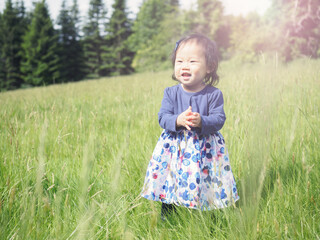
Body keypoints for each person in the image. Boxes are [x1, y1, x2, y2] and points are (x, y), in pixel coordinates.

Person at [141, 33, 239, 220]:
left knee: (206, 179)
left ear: (209, 66)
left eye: (192, 61)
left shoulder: (213, 94)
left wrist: (202, 121)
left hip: (205, 149)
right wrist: (177, 120)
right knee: (171, 177)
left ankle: (208, 215)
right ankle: (168, 212)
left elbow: (219, 119)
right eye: (179, 61)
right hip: (175, 147)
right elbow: (162, 118)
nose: (184, 66)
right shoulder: (170, 93)